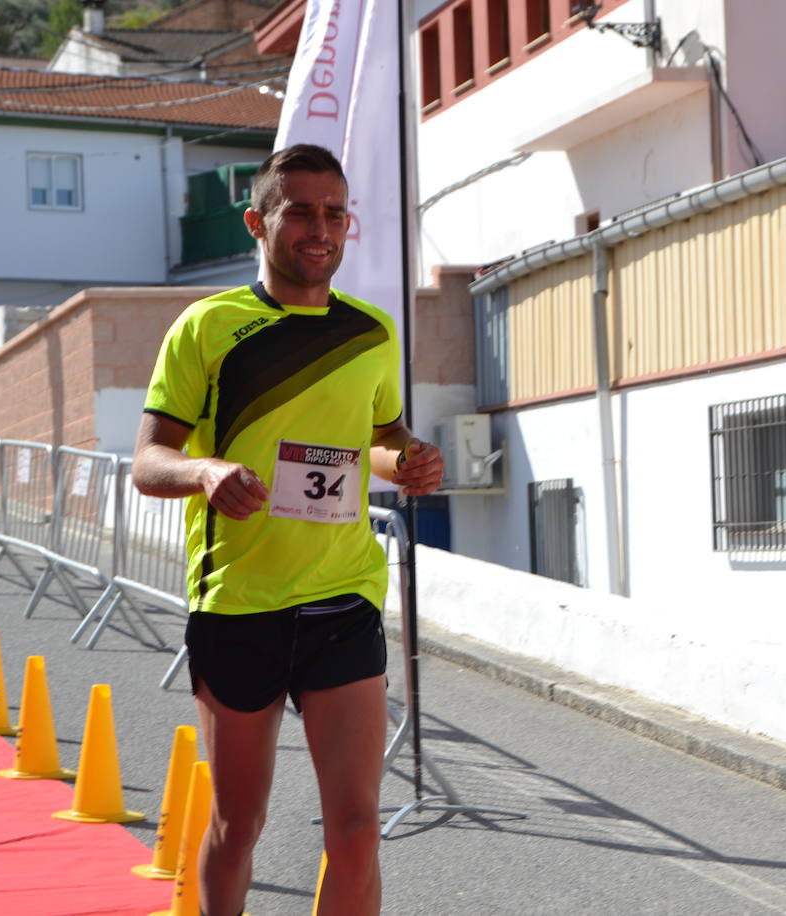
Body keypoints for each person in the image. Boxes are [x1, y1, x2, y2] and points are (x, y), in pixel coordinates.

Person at [132, 143, 443, 916]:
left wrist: (406, 459)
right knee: (240, 825)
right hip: (239, 603)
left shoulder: (372, 333)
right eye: (299, 209)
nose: (320, 227)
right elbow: (148, 460)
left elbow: (379, 437)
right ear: (257, 221)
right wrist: (205, 473)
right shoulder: (209, 326)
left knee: (359, 830)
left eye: (334, 213)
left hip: (343, 594)